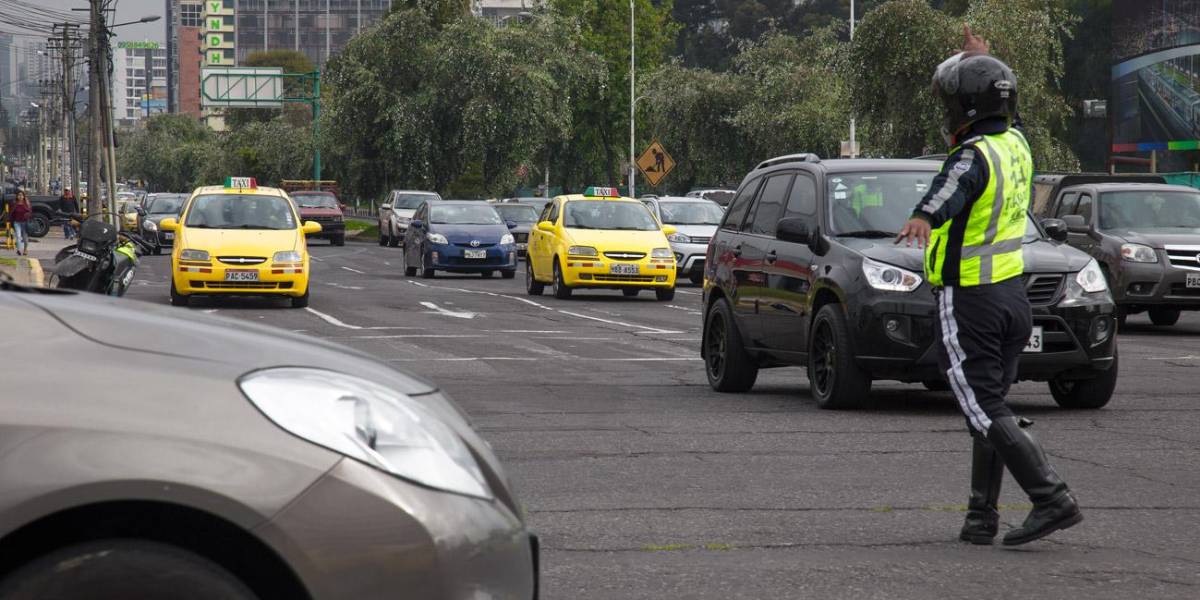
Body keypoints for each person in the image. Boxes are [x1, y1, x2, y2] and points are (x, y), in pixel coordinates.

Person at [895, 24, 1083, 547]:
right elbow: (1007, 110)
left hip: (971, 298)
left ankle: (1051, 498)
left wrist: (923, 216)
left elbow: (952, 186)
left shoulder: (973, 154)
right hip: (1011, 299)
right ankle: (982, 518)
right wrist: (987, 61)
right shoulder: (1016, 143)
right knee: (991, 406)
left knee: (983, 408)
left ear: (965, 109)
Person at [10, 190, 31, 256]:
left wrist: (27, 214)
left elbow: (30, 212)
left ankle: (25, 250)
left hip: (25, 223)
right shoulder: (14, 203)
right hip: (17, 223)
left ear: (24, 196)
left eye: (21, 195)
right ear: (17, 196)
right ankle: (19, 250)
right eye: (19, 195)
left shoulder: (27, 203)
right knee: (18, 236)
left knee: (25, 237)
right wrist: (10, 222)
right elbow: (11, 214)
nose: (20, 196)